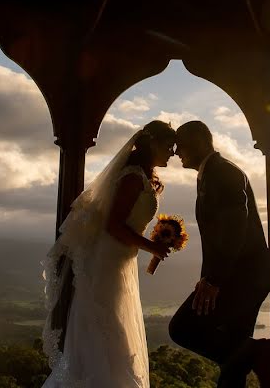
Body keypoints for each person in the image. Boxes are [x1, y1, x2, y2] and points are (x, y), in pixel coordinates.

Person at [41, 120, 177, 387]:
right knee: (106, 326)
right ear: (153, 144)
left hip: (121, 259)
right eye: (168, 146)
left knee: (114, 326)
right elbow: (113, 225)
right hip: (108, 261)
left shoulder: (142, 176)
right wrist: (152, 247)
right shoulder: (132, 177)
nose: (172, 152)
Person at [168, 120, 270, 388]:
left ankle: (255, 352)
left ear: (201, 142)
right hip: (242, 276)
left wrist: (214, 280)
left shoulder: (223, 173)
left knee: (182, 328)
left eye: (181, 144)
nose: (176, 151)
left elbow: (235, 228)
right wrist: (207, 278)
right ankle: (248, 353)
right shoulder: (211, 173)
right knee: (233, 359)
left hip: (243, 277)